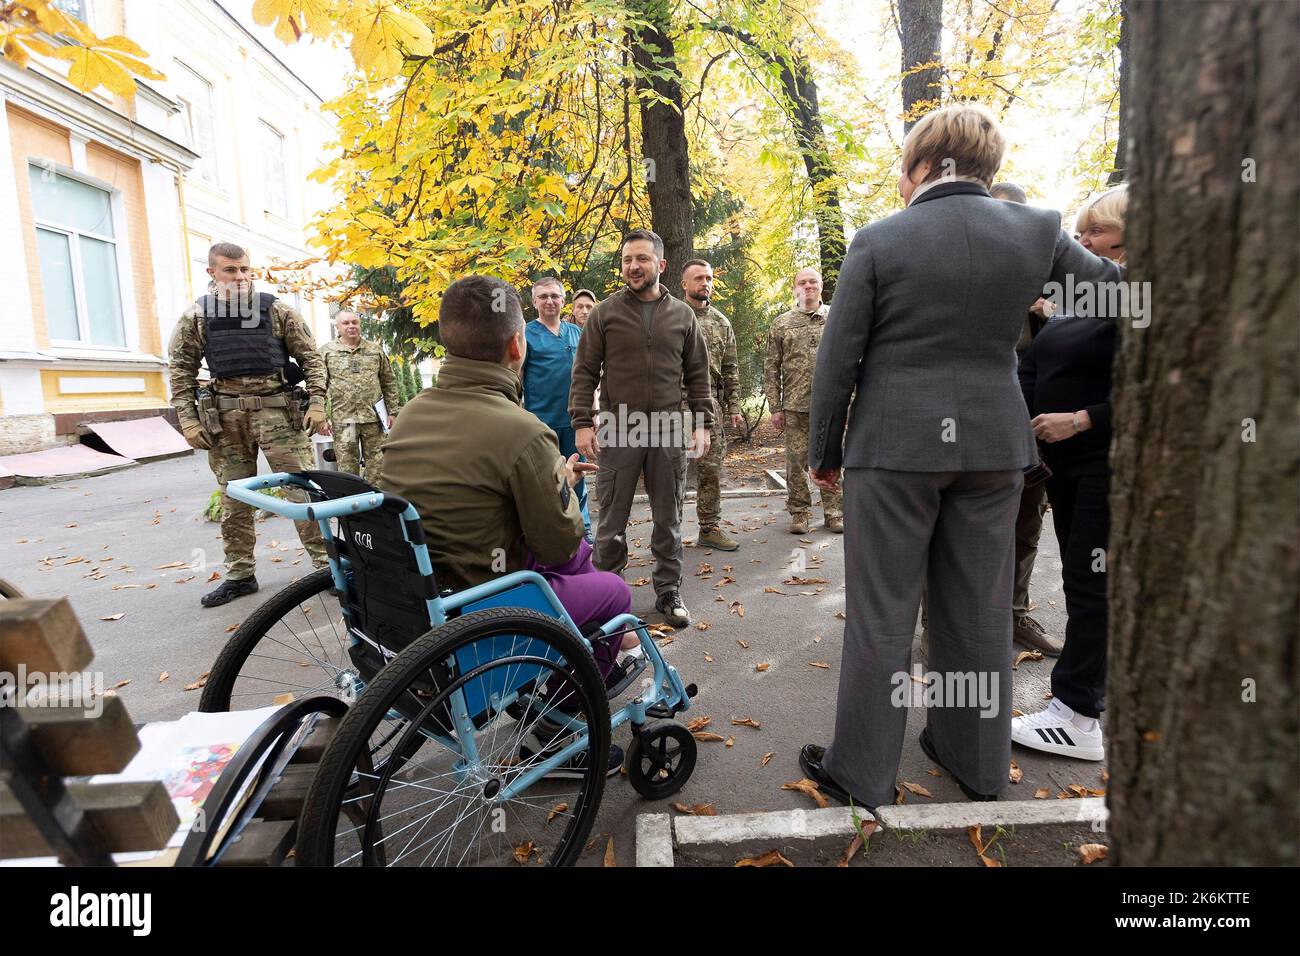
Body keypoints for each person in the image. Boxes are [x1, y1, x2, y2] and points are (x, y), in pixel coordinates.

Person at [798, 103, 1123, 809]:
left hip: (894, 448)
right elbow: (1119, 296)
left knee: (883, 612)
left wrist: (824, 448)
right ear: (989, 165)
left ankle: (862, 772)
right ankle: (973, 759)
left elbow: (838, 357)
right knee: (976, 611)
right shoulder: (1037, 230)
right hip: (994, 448)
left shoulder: (880, 239)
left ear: (918, 165)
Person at [379, 276, 633, 775]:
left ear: (447, 339)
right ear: (518, 345)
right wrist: (559, 484)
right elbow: (558, 542)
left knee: (581, 568)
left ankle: (592, 645)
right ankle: (558, 728)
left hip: (415, 591)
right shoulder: (521, 430)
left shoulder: (410, 414)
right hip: (483, 605)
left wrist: (546, 476)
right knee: (614, 594)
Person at [920, 183, 1063, 659]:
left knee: (1025, 524)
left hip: (1035, 421)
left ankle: (1015, 614)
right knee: (949, 525)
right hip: (967, 420)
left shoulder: (1046, 269)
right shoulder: (953, 263)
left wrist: (1053, 312)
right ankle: (937, 623)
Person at [1011, 184, 1128, 762]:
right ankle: (1085, 701)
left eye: (1096, 233)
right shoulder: (1082, 298)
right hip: (1064, 469)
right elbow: (1033, 366)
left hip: (1109, 466)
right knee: (1087, 585)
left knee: (1093, 589)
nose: (1083, 244)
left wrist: (1082, 420)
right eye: (1078, 233)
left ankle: (1078, 717)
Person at [169, 242, 329, 608]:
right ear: (212, 272)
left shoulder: (277, 310)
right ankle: (240, 575)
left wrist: (318, 402)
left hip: (279, 417)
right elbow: (180, 370)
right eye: (230, 270)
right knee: (234, 497)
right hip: (225, 420)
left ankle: (326, 566)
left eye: (244, 269)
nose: (239, 277)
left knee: (302, 491)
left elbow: (312, 358)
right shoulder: (196, 316)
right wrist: (188, 420)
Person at [570, 228, 714, 627]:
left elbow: (697, 375)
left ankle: (668, 591)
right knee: (611, 518)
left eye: (642, 259)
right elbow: (584, 371)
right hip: (619, 426)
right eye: (627, 260)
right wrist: (583, 423)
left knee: (668, 515)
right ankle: (606, 594)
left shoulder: (682, 315)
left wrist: (701, 423)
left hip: (669, 426)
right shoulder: (605, 313)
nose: (633, 266)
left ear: (660, 265)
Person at [764, 267, 843, 535]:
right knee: (796, 463)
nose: (808, 286)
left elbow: (850, 360)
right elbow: (771, 368)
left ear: (821, 286)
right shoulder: (781, 323)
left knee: (832, 457)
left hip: (831, 406)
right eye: (802, 282)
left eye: (813, 281)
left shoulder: (836, 318)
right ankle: (800, 513)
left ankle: (835, 512)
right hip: (796, 406)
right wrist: (775, 407)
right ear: (794, 288)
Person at [681, 259, 743, 551]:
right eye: (698, 278)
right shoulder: (672, 315)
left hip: (710, 407)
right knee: (669, 472)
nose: (705, 283)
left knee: (711, 470)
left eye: (708, 278)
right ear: (684, 284)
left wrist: (734, 407)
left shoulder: (721, 321)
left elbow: (730, 368)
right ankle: (666, 533)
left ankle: (709, 528)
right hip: (673, 406)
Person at [522, 277, 590, 536]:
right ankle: (553, 534)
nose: (549, 301)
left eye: (554, 296)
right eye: (543, 296)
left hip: (575, 421)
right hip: (542, 422)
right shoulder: (526, 334)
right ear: (534, 302)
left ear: (563, 301)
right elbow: (517, 378)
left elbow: (589, 375)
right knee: (548, 481)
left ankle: (584, 533)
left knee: (578, 477)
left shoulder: (576, 332)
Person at [319, 310, 400, 485]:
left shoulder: (374, 350)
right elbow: (319, 387)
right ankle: (352, 506)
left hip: (374, 420)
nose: (351, 326)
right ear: (338, 327)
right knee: (347, 464)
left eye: (354, 322)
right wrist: (321, 417)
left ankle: (375, 503)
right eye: (346, 323)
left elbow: (389, 381)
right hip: (346, 421)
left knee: (378, 464)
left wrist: (393, 411)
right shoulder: (327, 352)